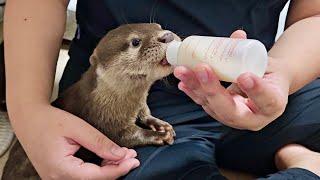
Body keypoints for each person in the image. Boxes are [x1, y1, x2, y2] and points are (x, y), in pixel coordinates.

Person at [4, 0, 320, 179]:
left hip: (250, 85)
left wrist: (283, 73)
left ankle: (286, 153)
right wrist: (29, 110)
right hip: (129, 101)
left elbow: (313, 15)